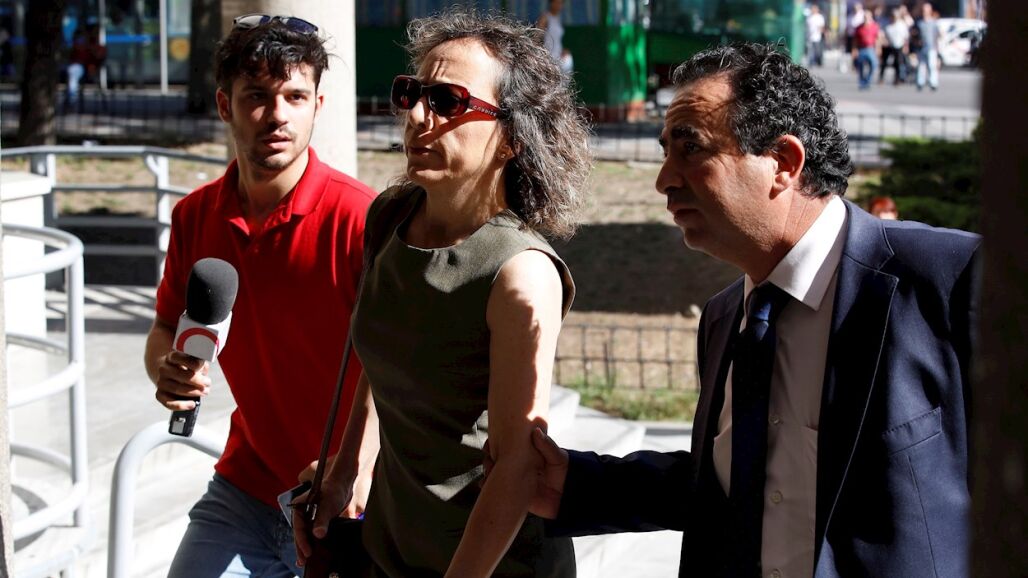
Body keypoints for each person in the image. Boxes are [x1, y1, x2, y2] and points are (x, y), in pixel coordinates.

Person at [494, 42, 980, 577]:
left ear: (784, 163)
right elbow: (740, 483)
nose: (664, 180)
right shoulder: (726, 318)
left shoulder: (948, 280)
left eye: (692, 148)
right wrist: (580, 484)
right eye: (665, 151)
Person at [293, 9, 591, 578]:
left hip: (490, 562)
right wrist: (346, 471)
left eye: (447, 101)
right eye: (412, 93)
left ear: (512, 137)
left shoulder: (521, 273)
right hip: (390, 547)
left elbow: (517, 467)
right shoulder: (391, 215)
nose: (416, 116)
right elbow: (381, 356)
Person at [144, 14, 375, 577]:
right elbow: (165, 328)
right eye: (257, 96)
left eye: (295, 96)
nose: (277, 115)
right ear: (225, 106)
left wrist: (357, 466)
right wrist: (165, 371)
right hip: (245, 487)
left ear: (318, 106)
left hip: (350, 493)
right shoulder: (194, 215)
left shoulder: (362, 219)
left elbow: (400, 367)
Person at [914, 2, 942, 91]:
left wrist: (937, 48)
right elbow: (914, 34)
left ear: (930, 11)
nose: (924, 12)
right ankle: (920, 82)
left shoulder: (933, 23)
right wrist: (917, 41)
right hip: (921, 48)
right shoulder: (919, 22)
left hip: (931, 47)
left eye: (926, 10)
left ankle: (933, 83)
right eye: (923, 10)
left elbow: (937, 35)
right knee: (921, 66)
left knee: (932, 65)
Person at [880, 7, 910, 84]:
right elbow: (883, 35)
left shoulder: (902, 25)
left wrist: (905, 46)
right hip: (889, 45)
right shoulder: (887, 25)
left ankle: (897, 79)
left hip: (898, 45)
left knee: (897, 63)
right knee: (884, 62)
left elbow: (906, 37)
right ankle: (881, 78)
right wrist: (884, 41)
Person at [853, 8, 880, 90]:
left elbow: (877, 38)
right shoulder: (859, 27)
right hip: (861, 48)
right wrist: (854, 50)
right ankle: (862, 82)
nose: (866, 18)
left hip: (870, 48)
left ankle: (868, 80)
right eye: (865, 17)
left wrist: (878, 48)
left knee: (874, 64)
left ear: (871, 17)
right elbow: (855, 40)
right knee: (860, 65)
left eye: (868, 17)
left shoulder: (875, 26)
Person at [537, 0, 566, 68]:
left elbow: (556, 41)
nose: (559, 5)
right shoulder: (545, 18)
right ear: (551, 3)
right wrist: (542, 57)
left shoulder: (558, 18)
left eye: (561, 3)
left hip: (558, 59)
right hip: (548, 60)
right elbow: (537, 38)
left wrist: (562, 50)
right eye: (556, 2)